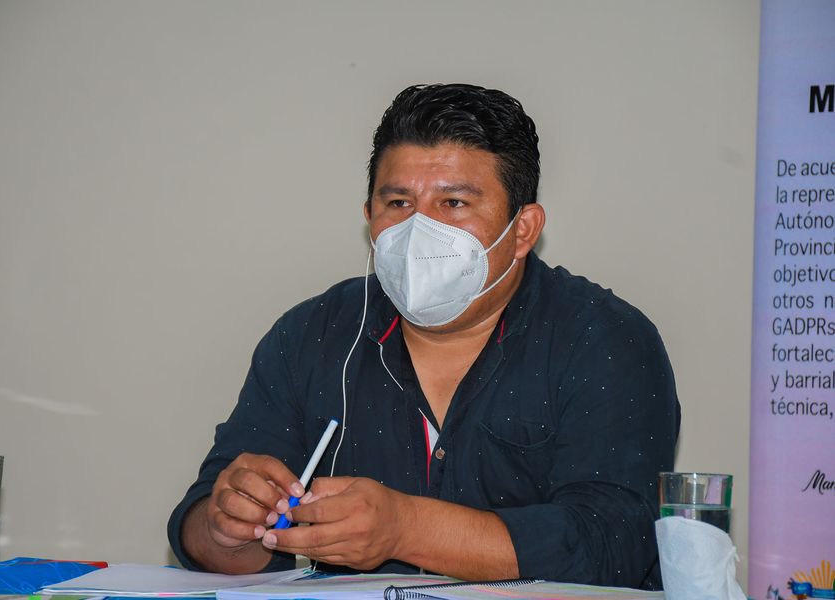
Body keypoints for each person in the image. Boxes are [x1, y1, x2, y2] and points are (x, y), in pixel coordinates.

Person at [168, 83, 680, 589]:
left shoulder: (604, 338)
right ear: (369, 218)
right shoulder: (311, 335)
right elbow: (205, 534)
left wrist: (406, 529)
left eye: (453, 203)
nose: (419, 229)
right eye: (398, 203)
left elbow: (615, 543)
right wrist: (227, 529)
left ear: (523, 229)